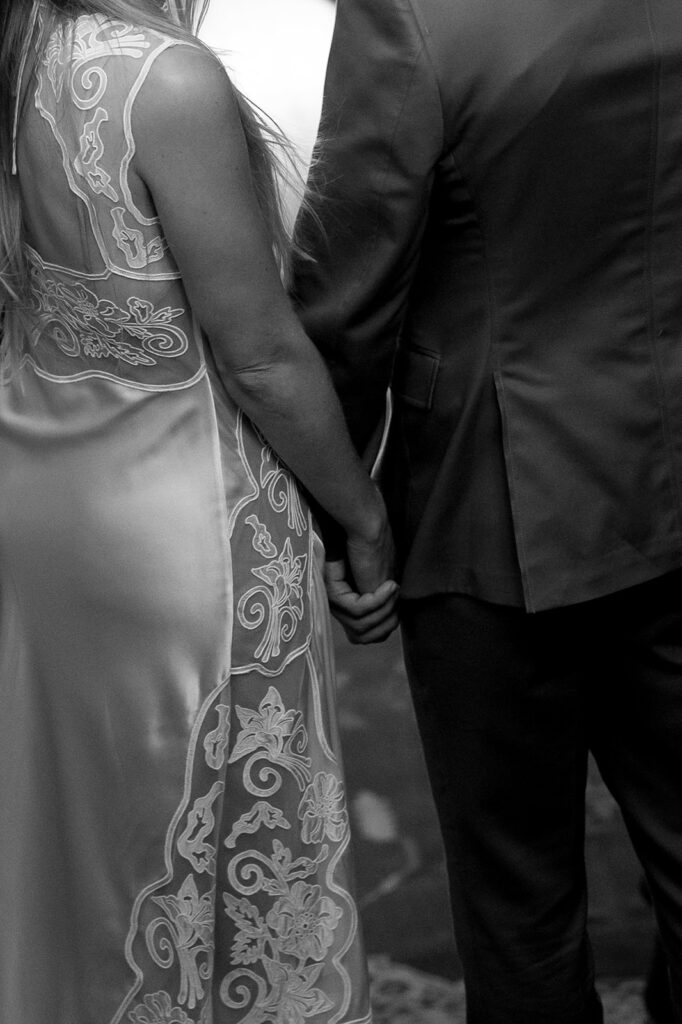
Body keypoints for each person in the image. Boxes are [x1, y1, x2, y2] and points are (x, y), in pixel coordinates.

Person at [0, 0, 399, 1020]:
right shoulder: (167, 80)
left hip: (42, 492)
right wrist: (358, 509)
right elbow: (259, 355)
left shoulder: (24, 50)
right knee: (202, 864)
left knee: (68, 851)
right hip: (178, 530)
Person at [291, 0, 682, 1021]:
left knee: (522, 911)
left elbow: (343, 306)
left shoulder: (411, 17)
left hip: (491, 508)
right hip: (664, 474)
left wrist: (343, 520)